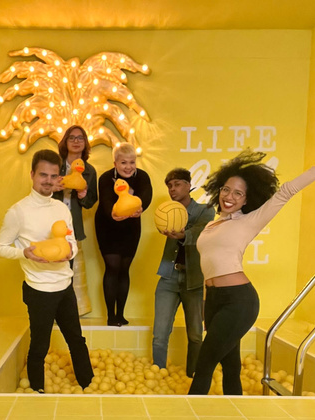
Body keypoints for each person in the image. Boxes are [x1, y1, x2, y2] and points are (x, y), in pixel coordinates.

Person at [189, 150, 315, 395]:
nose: (230, 196)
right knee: (231, 366)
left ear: (246, 200)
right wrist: (207, 306)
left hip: (239, 301)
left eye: (238, 193)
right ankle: (235, 418)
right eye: (226, 189)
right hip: (215, 301)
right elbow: (208, 268)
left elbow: (287, 191)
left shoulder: (250, 221)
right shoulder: (211, 224)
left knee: (203, 365)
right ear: (219, 190)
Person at [0, 149, 94, 393]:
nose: (48, 180)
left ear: (59, 176)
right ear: (32, 174)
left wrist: (69, 252)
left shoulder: (61, 208)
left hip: (64, 286)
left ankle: (89, 385)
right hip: (39, 290)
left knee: (76, 340)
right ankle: (37, 390)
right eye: (42, 175)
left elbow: (71, 243)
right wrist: (24, 253)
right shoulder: (17, 212)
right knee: (40, 345)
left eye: (53, 175)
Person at [153, 168, 215, 376]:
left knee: (196, 334)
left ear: (189, 186)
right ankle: (158, 375)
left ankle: (193, 377)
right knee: (160, 334)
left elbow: (200, 232)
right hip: (168, 277)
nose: (172, 189)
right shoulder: (166, 212)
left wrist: (182, 234)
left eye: (177, 184)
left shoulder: (205, 210)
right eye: (169, 186)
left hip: (194, 280)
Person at [95, 143, 153, 326]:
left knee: (124, 269)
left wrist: (140, 208)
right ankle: (111, 317)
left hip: (131, 227)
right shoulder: (105, 178)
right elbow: (105, 201)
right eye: (123, 163)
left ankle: (121, 314)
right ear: (115, 163)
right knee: (112, 268)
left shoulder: (142, 176)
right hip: (107, 225)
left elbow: (146, 195)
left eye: (132, 162)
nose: (128, 167)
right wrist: (114, 214)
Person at [52, 125, 98, 315]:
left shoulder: (89, 171)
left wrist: (83, 195)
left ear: (85, 143)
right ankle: (52, 309)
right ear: (65, 141)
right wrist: (53, 186)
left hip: (73, 226)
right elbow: (40, 188)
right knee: (52, 267)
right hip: (52, 224)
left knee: (68, 268)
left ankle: (67, 312)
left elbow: (90, 202)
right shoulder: (55, 165)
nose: (77, 141)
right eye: (72, 137)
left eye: (81, 138)